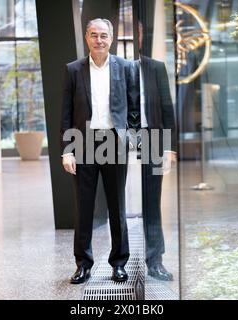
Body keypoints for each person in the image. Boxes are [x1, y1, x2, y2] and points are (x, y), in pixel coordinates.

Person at [61, 18, 139, 284]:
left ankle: (119, 263)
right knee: (84, 208)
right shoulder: (74, 70)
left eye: (103, 35)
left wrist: (131, 138)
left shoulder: (126, 68)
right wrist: (67, 151)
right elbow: (66, 114)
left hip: (114, 143)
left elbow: (134, 109)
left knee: (117, 207)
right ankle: (83, 264)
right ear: (87, 38)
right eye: (94, 35)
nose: (99, 40)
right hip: (83, 143)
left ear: (112, 37)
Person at [137, 22, 177, 281]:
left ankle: (155, 260)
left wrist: (170, 147)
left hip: (151, 136)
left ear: (141, 36)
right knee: (118, 205)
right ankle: (120, 261)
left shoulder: (155, 68)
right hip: (116, 140)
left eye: (137, 31)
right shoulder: (110, 68)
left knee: (152, 202)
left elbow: (167, 108)